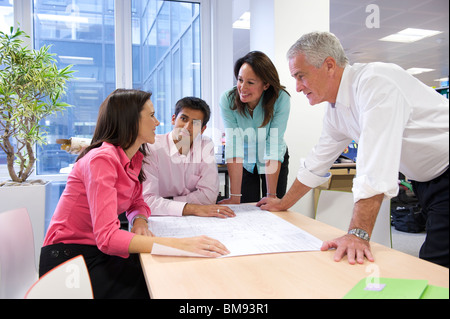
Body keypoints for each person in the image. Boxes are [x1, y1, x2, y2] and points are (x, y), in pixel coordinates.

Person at [257, 31, 449, 268]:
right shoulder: (336, 110)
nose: (297, 87)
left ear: (329, 65)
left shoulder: (376, 83)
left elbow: (375, 166)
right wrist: (283, 203)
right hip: (426, 180)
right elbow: (317, 162)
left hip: (446, 172)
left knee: (436, 263)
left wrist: (358, 234)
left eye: (301, 76)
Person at [39, 89, 229, 299]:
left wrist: (140, 220)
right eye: (151, 116)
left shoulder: (134, 158)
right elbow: (108, 237)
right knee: (159, 286)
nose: (157, 122)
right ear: (130, 121)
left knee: (169, 275)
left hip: (97, 253)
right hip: (70, 261)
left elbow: (138, 201)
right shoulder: (102, 160)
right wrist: (178, 244)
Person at [142, 97, 235, 218]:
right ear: (173, 119)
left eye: (195, 123)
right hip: (160, 219)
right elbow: (147, 201)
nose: (187, 127)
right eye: (183, 119)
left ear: (202, 129)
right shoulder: (151, 147)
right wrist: (192, 207)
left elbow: (209, 196)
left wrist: (167, 201)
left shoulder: (205, 145)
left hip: (195, 218)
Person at [219, 51, 291, 204]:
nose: (242, 88)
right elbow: (234, 143)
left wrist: (271, 196)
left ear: (266, 84)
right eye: (240, 80)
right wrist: (234, 197)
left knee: (273, 208)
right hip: (244, 160)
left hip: (274, 157)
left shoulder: (281, 99)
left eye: (250, 82)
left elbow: (274, 143)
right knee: (245, 208)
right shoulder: (228, 99)